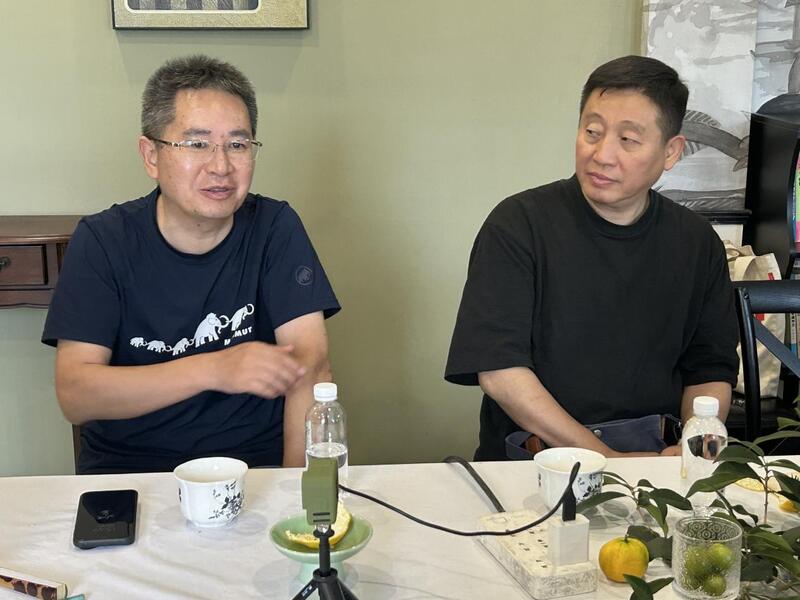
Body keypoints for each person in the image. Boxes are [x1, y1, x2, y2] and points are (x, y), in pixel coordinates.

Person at [42, 55, 340, 474]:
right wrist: (214, 369)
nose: (221, 166)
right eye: (197, 144)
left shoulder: (275, 227)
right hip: (134, 472)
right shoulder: (103, 240)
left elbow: (311, 368)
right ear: (151, 155)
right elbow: (76, 395)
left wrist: (294, 491)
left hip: (254, 471)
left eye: (238, 145)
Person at [444, 55, 739, 461]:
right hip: (535, 462)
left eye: (628, 140)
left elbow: (710, 370)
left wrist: (693, 452)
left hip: (658, 460)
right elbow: (500, 372)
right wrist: (607, 461)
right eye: (592, 132)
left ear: (671, 152)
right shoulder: (518, 224)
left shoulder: (696, 242)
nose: (602, 154)